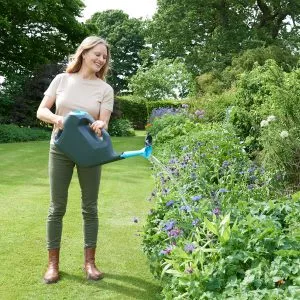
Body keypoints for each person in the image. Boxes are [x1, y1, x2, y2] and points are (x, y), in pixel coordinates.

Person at [36, 36, 114, 284]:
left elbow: (103, 122)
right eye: (97, 54)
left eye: (104, 56)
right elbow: (42, 110)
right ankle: (52, 265)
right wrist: (57, 119)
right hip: (60, 149)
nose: (101, 60)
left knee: (89, 207)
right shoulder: (62, 80)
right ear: (84, 52)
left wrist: (101, 123)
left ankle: (90, 264)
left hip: (90, 153)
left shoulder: (105, 90)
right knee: (56, 207)